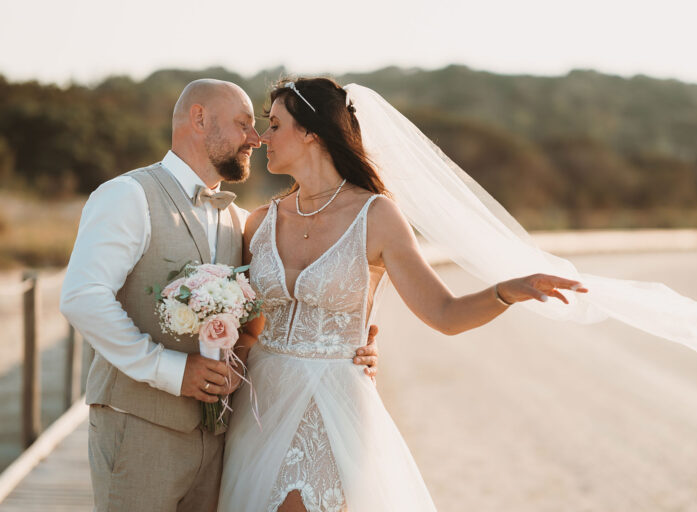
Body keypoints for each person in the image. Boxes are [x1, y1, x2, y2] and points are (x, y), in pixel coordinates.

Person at [218, 78, 588, 511]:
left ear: (311, 132)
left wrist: (506, 291)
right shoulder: (258, 221)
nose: (262, 138)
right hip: (260, 406)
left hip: (332, 403)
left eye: (275, 125)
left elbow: (444, 313)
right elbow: (249, 329)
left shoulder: (376, 215)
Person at [60, 78, 379, 512]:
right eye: (244, 124)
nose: (256, 137)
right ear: (199, 119)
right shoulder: (128, 195)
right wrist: (171, 370)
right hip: (138, 429)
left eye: (259, 126)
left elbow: (269, 322)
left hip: (221, 440)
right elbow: (83, 297)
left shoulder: (242, 220)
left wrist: (349, 346)